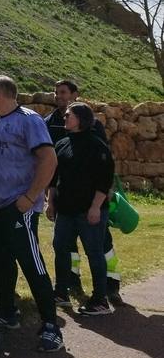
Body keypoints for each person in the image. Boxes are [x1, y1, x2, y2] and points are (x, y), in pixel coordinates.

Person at [0, 74, 64, 352]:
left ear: (1, 93)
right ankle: (7, 312)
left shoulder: (29, 120)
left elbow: (49, 158)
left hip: (21, 208)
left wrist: (30, 196)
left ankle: (51, 326)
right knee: (2, 263)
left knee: (32, 264)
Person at [44, 79, 121, 304]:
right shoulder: (58, 136)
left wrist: (97, 205)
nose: (64, 117)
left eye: (69, 115)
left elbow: (104, 176)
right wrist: (51, 201)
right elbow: (53, 174)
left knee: (97, 249)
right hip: (66, 207)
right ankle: (64, 289)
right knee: (62, 248)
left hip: (90, 208)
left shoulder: (96, 140)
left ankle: (106, 292)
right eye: (56, 92)